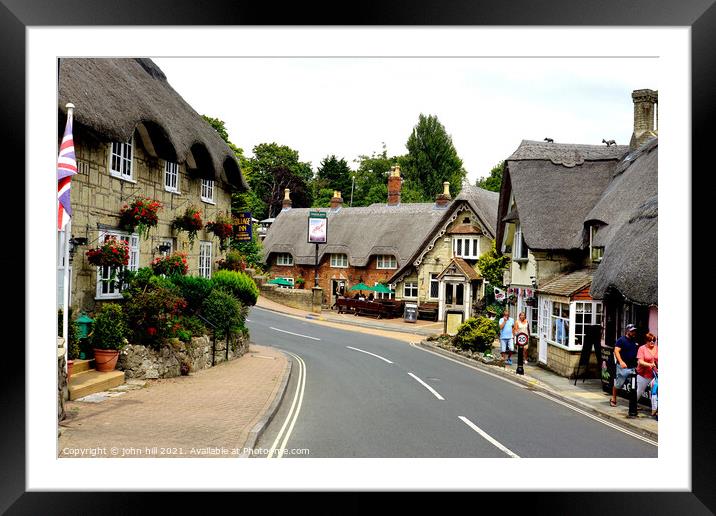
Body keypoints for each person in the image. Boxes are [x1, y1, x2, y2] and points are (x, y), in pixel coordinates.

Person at [610, 324, 639, 407]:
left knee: (634, 386)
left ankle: (633, 403)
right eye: (631, 331)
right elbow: (616, 351)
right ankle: (613, 398)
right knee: (619, 384)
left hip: (633, 367)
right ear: (627, 331)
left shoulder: (635, 340)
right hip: (623, 367)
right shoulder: (621, 340)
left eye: (634, 331)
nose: (633, 332)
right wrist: (621, 361)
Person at [636, 332, 658, 418]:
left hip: (654, 375)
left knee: (654, 392)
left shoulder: (657, 348)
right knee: (639, 392)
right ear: (646, 341)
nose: (652, 342)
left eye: (654, 340)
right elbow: (640, 361)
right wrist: (649, 364)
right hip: (643, 374)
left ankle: (654, 410)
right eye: (650, 340)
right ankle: (633, 406)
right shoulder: (642, 348)